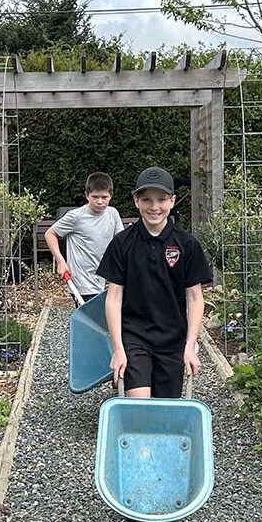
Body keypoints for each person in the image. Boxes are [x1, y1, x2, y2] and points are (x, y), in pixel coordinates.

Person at [96, 167, 213, 398]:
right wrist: (118, 349)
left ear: (172, 201)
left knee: (164, 410)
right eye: (147, 199)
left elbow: (195, 298)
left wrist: (190, 346)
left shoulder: (187, 244)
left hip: (172, 340)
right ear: (136, 201)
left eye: (161, 199)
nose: (154, 206)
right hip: (134, 337)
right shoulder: (122, 244)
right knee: (140, 406)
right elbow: (114, 297)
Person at [45, 172, 123, 304]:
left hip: (102, 278)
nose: (100, 201)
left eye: (104, 197)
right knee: (92, 316)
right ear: (87, 195)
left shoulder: (113, 213)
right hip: (82, 282)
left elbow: (120, 241)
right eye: (95, 197)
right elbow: (50, 234)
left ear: (111, 195)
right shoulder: (76, 216)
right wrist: (61, 262)